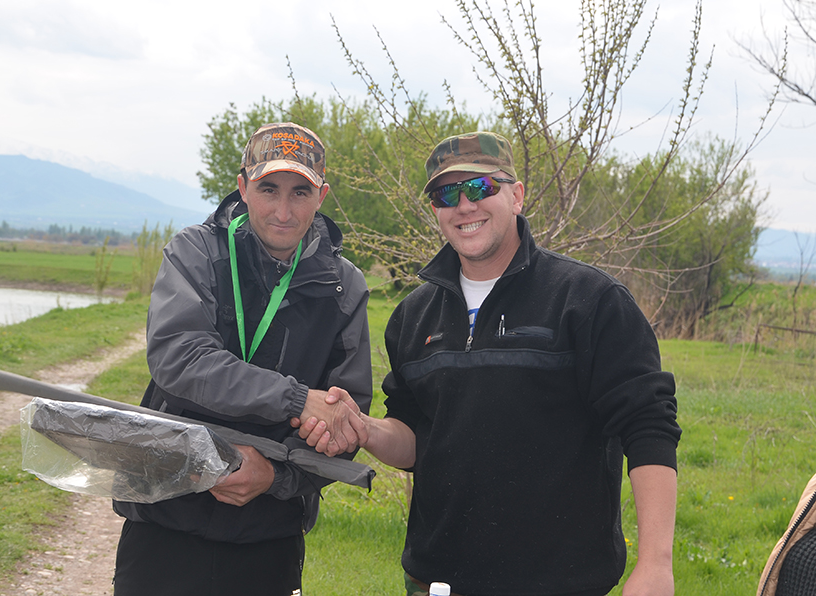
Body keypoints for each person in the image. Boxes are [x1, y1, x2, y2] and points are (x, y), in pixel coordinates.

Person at [298, 131, 682, 596]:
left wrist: (656, 563)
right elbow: (415, 438)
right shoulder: (413, 316)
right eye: (446, 194)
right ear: (436, 210)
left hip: (561, 583)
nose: (464, 206)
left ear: (516, 196)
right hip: (435, 580)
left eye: (480, 187)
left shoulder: (589, 300)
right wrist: (365, 428)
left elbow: (648, 425)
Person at [112, 122, 372, 596]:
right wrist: (297, 400)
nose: (283, 211)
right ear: (243, 187)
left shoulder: (345, 286)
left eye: (300, 192)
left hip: (269, 534)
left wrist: (276, 477)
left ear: (321, 196)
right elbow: (179, 357)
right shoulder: (195, 251)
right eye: (268, 189)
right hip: (165, 516)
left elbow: (346, 418)